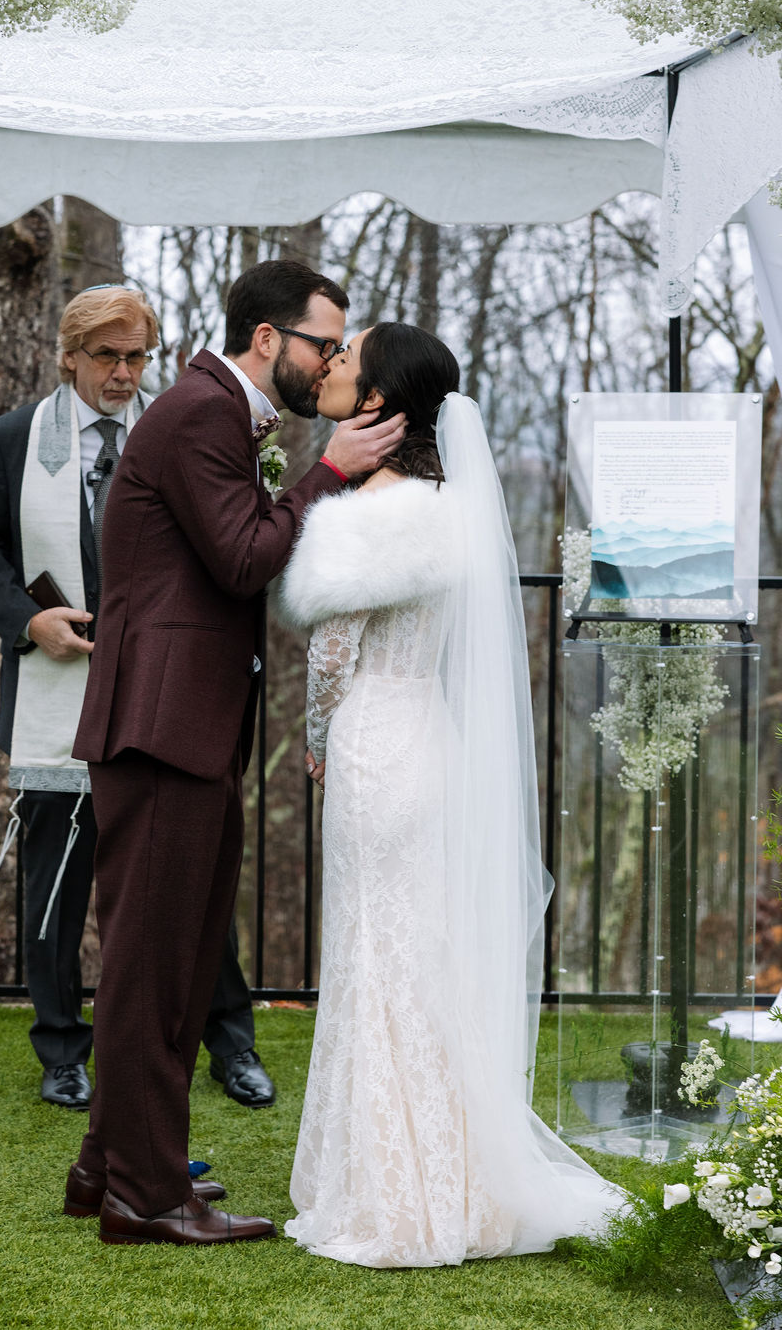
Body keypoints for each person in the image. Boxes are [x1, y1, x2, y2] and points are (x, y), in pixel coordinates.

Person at [67, 260, 406, 1247]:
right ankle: (143, 1192)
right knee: (154, 963)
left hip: (186, 723)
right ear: (268, 338)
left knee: (168, 958)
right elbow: (244, 554)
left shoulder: (214, 411)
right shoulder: (203, 411)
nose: (331, 362)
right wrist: (328, 470)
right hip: (162, 727)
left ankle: (115, 1163)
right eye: (324, 344)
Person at [280, 322, 625, 1268]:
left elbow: (333, 656)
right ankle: (457, 1177)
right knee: (418, 955)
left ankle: (398, 1193)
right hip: (427, 734)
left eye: (348, 362)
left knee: (372, 955)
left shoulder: (362, 515)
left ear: (383, 401)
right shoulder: (451, 505)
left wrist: (315, 741)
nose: (333, 367)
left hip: (374, 744)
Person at [0, 285, 272, 1117]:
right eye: (108, 357)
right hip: (57, 684)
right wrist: (29, 621)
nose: (126, 374)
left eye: (138, 356)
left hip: (164, 687)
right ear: (69, 355)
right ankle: (61, 1048)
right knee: (56, 879)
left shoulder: (181, 428)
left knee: (190, 874)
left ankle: (228, 1039)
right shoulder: (13, 438)